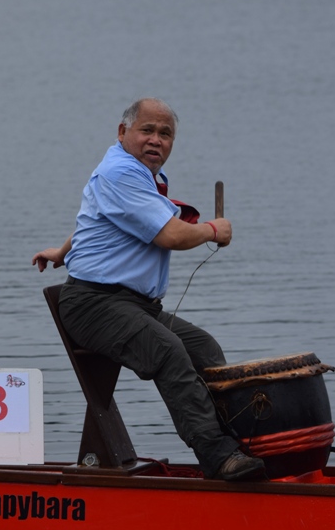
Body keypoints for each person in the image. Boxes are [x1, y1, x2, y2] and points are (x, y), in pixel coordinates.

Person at [32, 97, 264, 481]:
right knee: (168, 351)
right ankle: (219, 457)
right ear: (123, 132)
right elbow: (169, 235)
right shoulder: (121, 173)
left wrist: (63, 249)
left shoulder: (142, 174)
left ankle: (241, 444)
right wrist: (213, 230)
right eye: (147, 130)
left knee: (204, 349)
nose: (156, 140)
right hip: (93, 305)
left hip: (132, 305)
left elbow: (97, 218)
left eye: (165, 134)